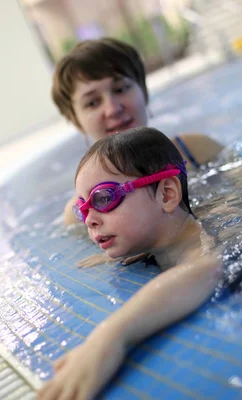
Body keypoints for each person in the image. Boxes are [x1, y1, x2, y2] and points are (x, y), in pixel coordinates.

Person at [38, 127, 223, 400]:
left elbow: (204, 270)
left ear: (167, 195)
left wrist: (110, 337)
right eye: (84, 208)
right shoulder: (163, 241)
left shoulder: (204, 244)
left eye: (103, 198)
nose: (89, 219)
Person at [51, 37, 225, 225]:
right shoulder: (79, 214)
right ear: (76, 121)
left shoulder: (199, 151)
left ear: (144, 92)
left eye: (120, 89)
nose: (112, 109)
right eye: (92, 102)